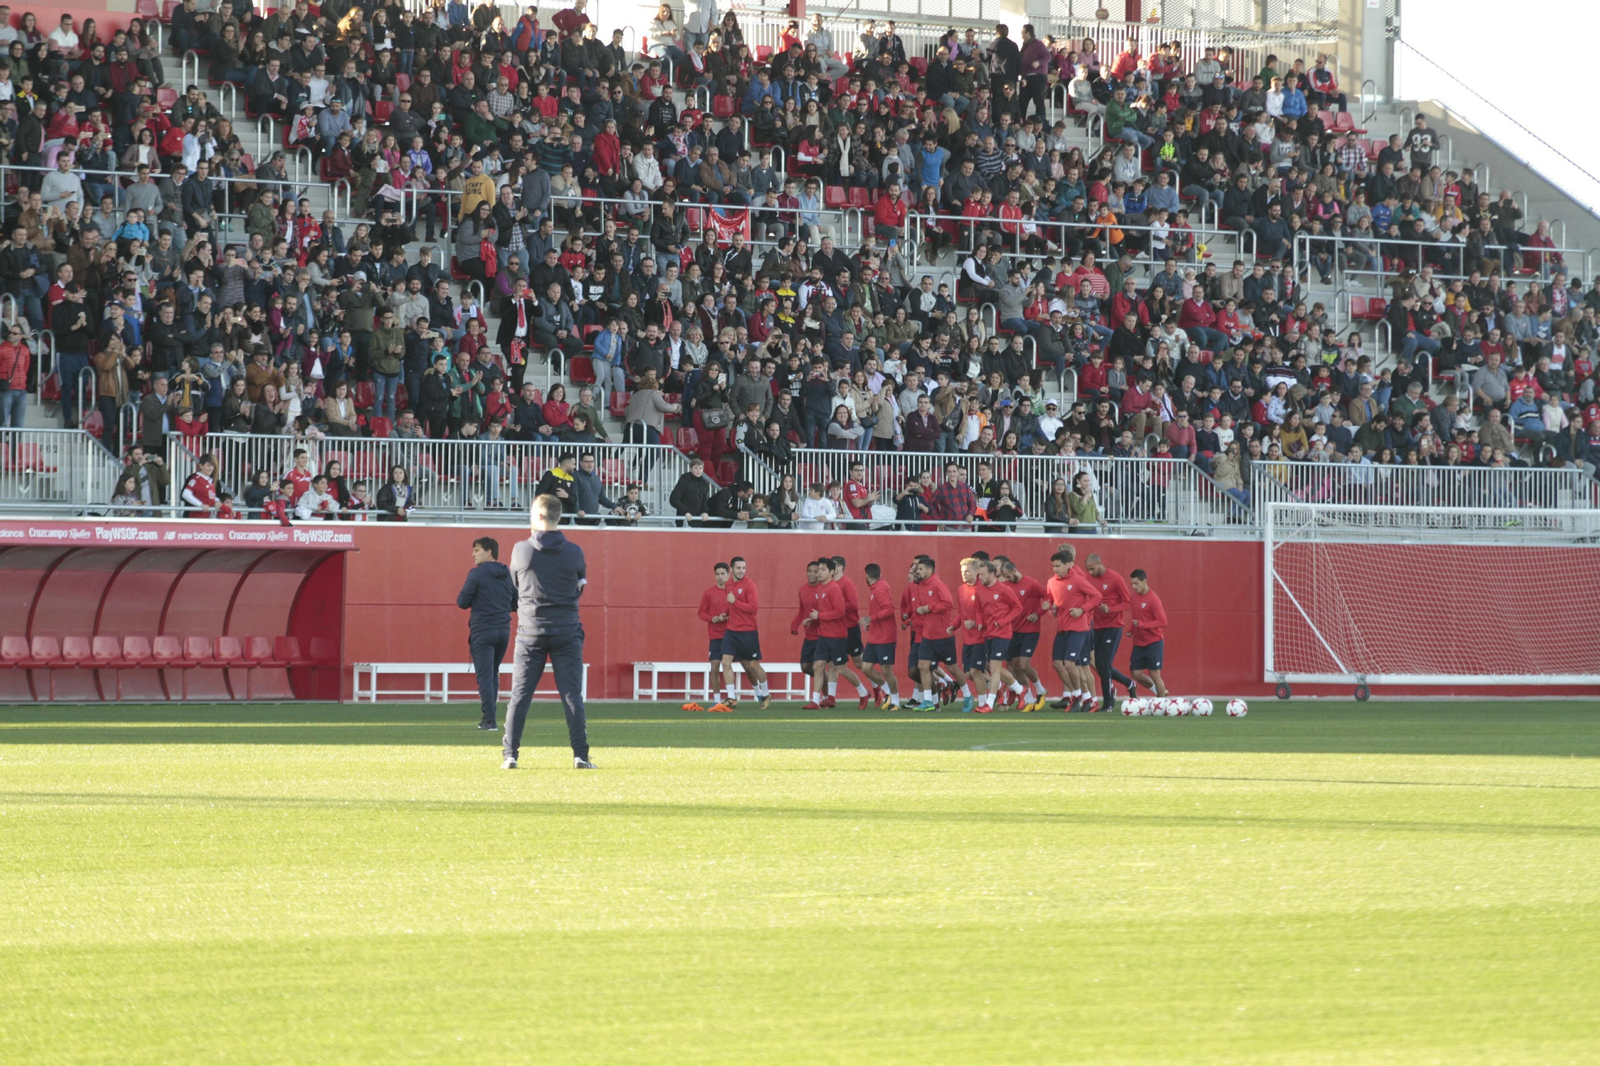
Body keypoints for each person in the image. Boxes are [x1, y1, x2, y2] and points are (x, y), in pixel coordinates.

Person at [502, 495, 595, 770]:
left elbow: (514, 588)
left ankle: (510, 755)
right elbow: (580, 586)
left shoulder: (521, 550)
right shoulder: (575, 551)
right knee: (572, 695)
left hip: (530, 631)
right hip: (566, 629)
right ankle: (580, 756)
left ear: (540, 517)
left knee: (520, 694)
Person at [457, 536, 517, 731]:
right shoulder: (506, 573)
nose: (473, 554)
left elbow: (462, 601)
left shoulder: (476, 574)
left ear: (488, 552)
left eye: (477, 550)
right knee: (493, 673)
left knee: (484, 675)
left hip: (483, 630)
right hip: (503, 630)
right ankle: (490, 717)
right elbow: (516, 603)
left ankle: (489, 720)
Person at [1046, 544, 1103, 713]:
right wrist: (1051, 608)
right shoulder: (1051, 582)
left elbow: (1097, 596)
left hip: (1079, 629)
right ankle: (1083, 697)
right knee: (1058, 663)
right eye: (1053, 566)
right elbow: (1051, 600)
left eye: (1058, 566)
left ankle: (1083, 698)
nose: (1055, 569)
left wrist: (1082, 609)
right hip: (1062, 628)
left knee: (1073, 664)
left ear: (1068, 564)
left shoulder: (1078, 579)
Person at [1084, 553, 1138, 706]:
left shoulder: (1115, 578)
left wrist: (1111, 609)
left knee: (1103, 664)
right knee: (1100, 664)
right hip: (1096, 627)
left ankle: (1108, 702)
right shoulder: (1089, 580)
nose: (1091, 573)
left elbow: (1127, 602)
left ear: (1100, 564)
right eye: (1088, 570)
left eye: (1093, 569)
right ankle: (1129, 683)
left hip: (1113, 627)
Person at [720, 556, 772, 709]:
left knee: (753, 665)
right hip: (731, 631)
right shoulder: (728, 584)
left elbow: (753, 608)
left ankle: (766, 694)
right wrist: (726, 613)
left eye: (743, 568)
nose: (741, 571)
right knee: (725, 662)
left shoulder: (750, 586)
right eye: (738, 568)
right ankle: (731, 697)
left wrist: (734, 602)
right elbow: (731, 606)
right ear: (731, 569)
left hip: (747, 631)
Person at [999, 557, 1050, 712]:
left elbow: (1048, 598)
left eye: (1008, 576)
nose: (1007, 579)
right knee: (1014, 666)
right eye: (1005, 577)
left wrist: (1038, 613)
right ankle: (1028, 699)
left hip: (1030, 630)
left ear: (1015, 570)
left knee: (1023, 664)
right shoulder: (1005, 586)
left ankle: (1040, 690)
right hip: (1013, 631)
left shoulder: (1032, 584)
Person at [907, 556, 957, 712]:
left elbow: (948, 603)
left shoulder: (937, 584)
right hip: (926, 634)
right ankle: (928, 701)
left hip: (941, 633)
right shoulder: (920, 586)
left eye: (920, 569)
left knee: (953, 667)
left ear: (929, 570)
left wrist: (928, 608)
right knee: (922, 666)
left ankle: (965, 693)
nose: (917, 571)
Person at [800, 555, 849, 710]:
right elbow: (820, 611)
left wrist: (819, 616)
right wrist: (812, 619)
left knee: (841, 668)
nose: (818, 573)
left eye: (822, 570)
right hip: (823, 634)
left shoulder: (834, 588)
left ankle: (862, 691)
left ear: (832, 572)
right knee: (818, 666)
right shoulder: (820, 588)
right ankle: (816, 701)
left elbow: (840, 612)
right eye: (817, 570)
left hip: (837, 636)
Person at [692, 561, 733, 712]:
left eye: (723, 574)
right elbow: (701, 613)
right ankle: (716, 700)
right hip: (715, 636)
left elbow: (740, 611)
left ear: (729, 575)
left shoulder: (733, 592)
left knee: (744, 664)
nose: (720, 577)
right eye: (717, 574)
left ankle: (732, 698)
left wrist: (728, 616)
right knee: (715, 666)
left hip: (732, 635)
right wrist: (713, 618)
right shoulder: (709, 593)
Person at [861, 563, 899, 709]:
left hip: (886, 637)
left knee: (886, 670)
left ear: (866, 575)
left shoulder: (880, 589)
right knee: (865, 667)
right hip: (874, 637)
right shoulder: (874, 590)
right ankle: (888, 692)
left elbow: (889, 609)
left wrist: (871, 619)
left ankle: (895, 701)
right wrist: (871, 623)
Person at [1127, 568, 1169, 699]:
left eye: (1136, 583)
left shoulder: (1153, 599)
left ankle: (1162, 703)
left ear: (1144, 581)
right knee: (1135, 674)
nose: (1134, 586)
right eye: (1132, 583)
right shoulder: (1133, 597)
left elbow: (1163, 622)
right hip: (1139, 643)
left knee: (1155, 675)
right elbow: (1137, 618)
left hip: (1154, 642)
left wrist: (1142, 625)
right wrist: (1131, 630)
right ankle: (1159, 691)